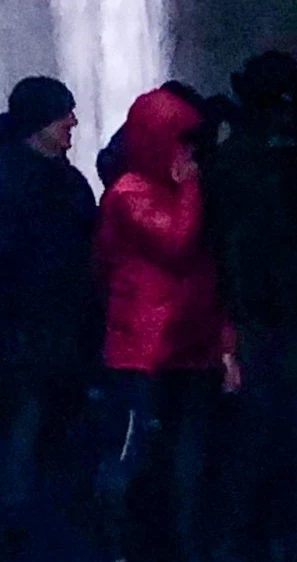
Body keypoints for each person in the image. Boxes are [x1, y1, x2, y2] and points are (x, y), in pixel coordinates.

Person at [0, 74, 100, 561]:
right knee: (13, 482)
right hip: (19, 370)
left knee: (64, 483)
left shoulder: (71, 186)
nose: (73, 123)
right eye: (64, 113)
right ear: (37, 122)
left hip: (69, 365)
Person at [91, 87, 235, 562]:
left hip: (190, 349)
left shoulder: (167, 191)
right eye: (182, 141)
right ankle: (125, 549)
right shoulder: (127, 194)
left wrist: (225, 345)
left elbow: (209, 272)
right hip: (144, 354)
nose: (190, 152)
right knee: (137, 461)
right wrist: (192, 185)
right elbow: (176, 241)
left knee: (189, 466)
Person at [204, 51, 297, 562]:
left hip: (259, 322)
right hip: (282, 322)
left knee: (258, 457)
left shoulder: (230, 165)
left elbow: (214, 245)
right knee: (291, 455)